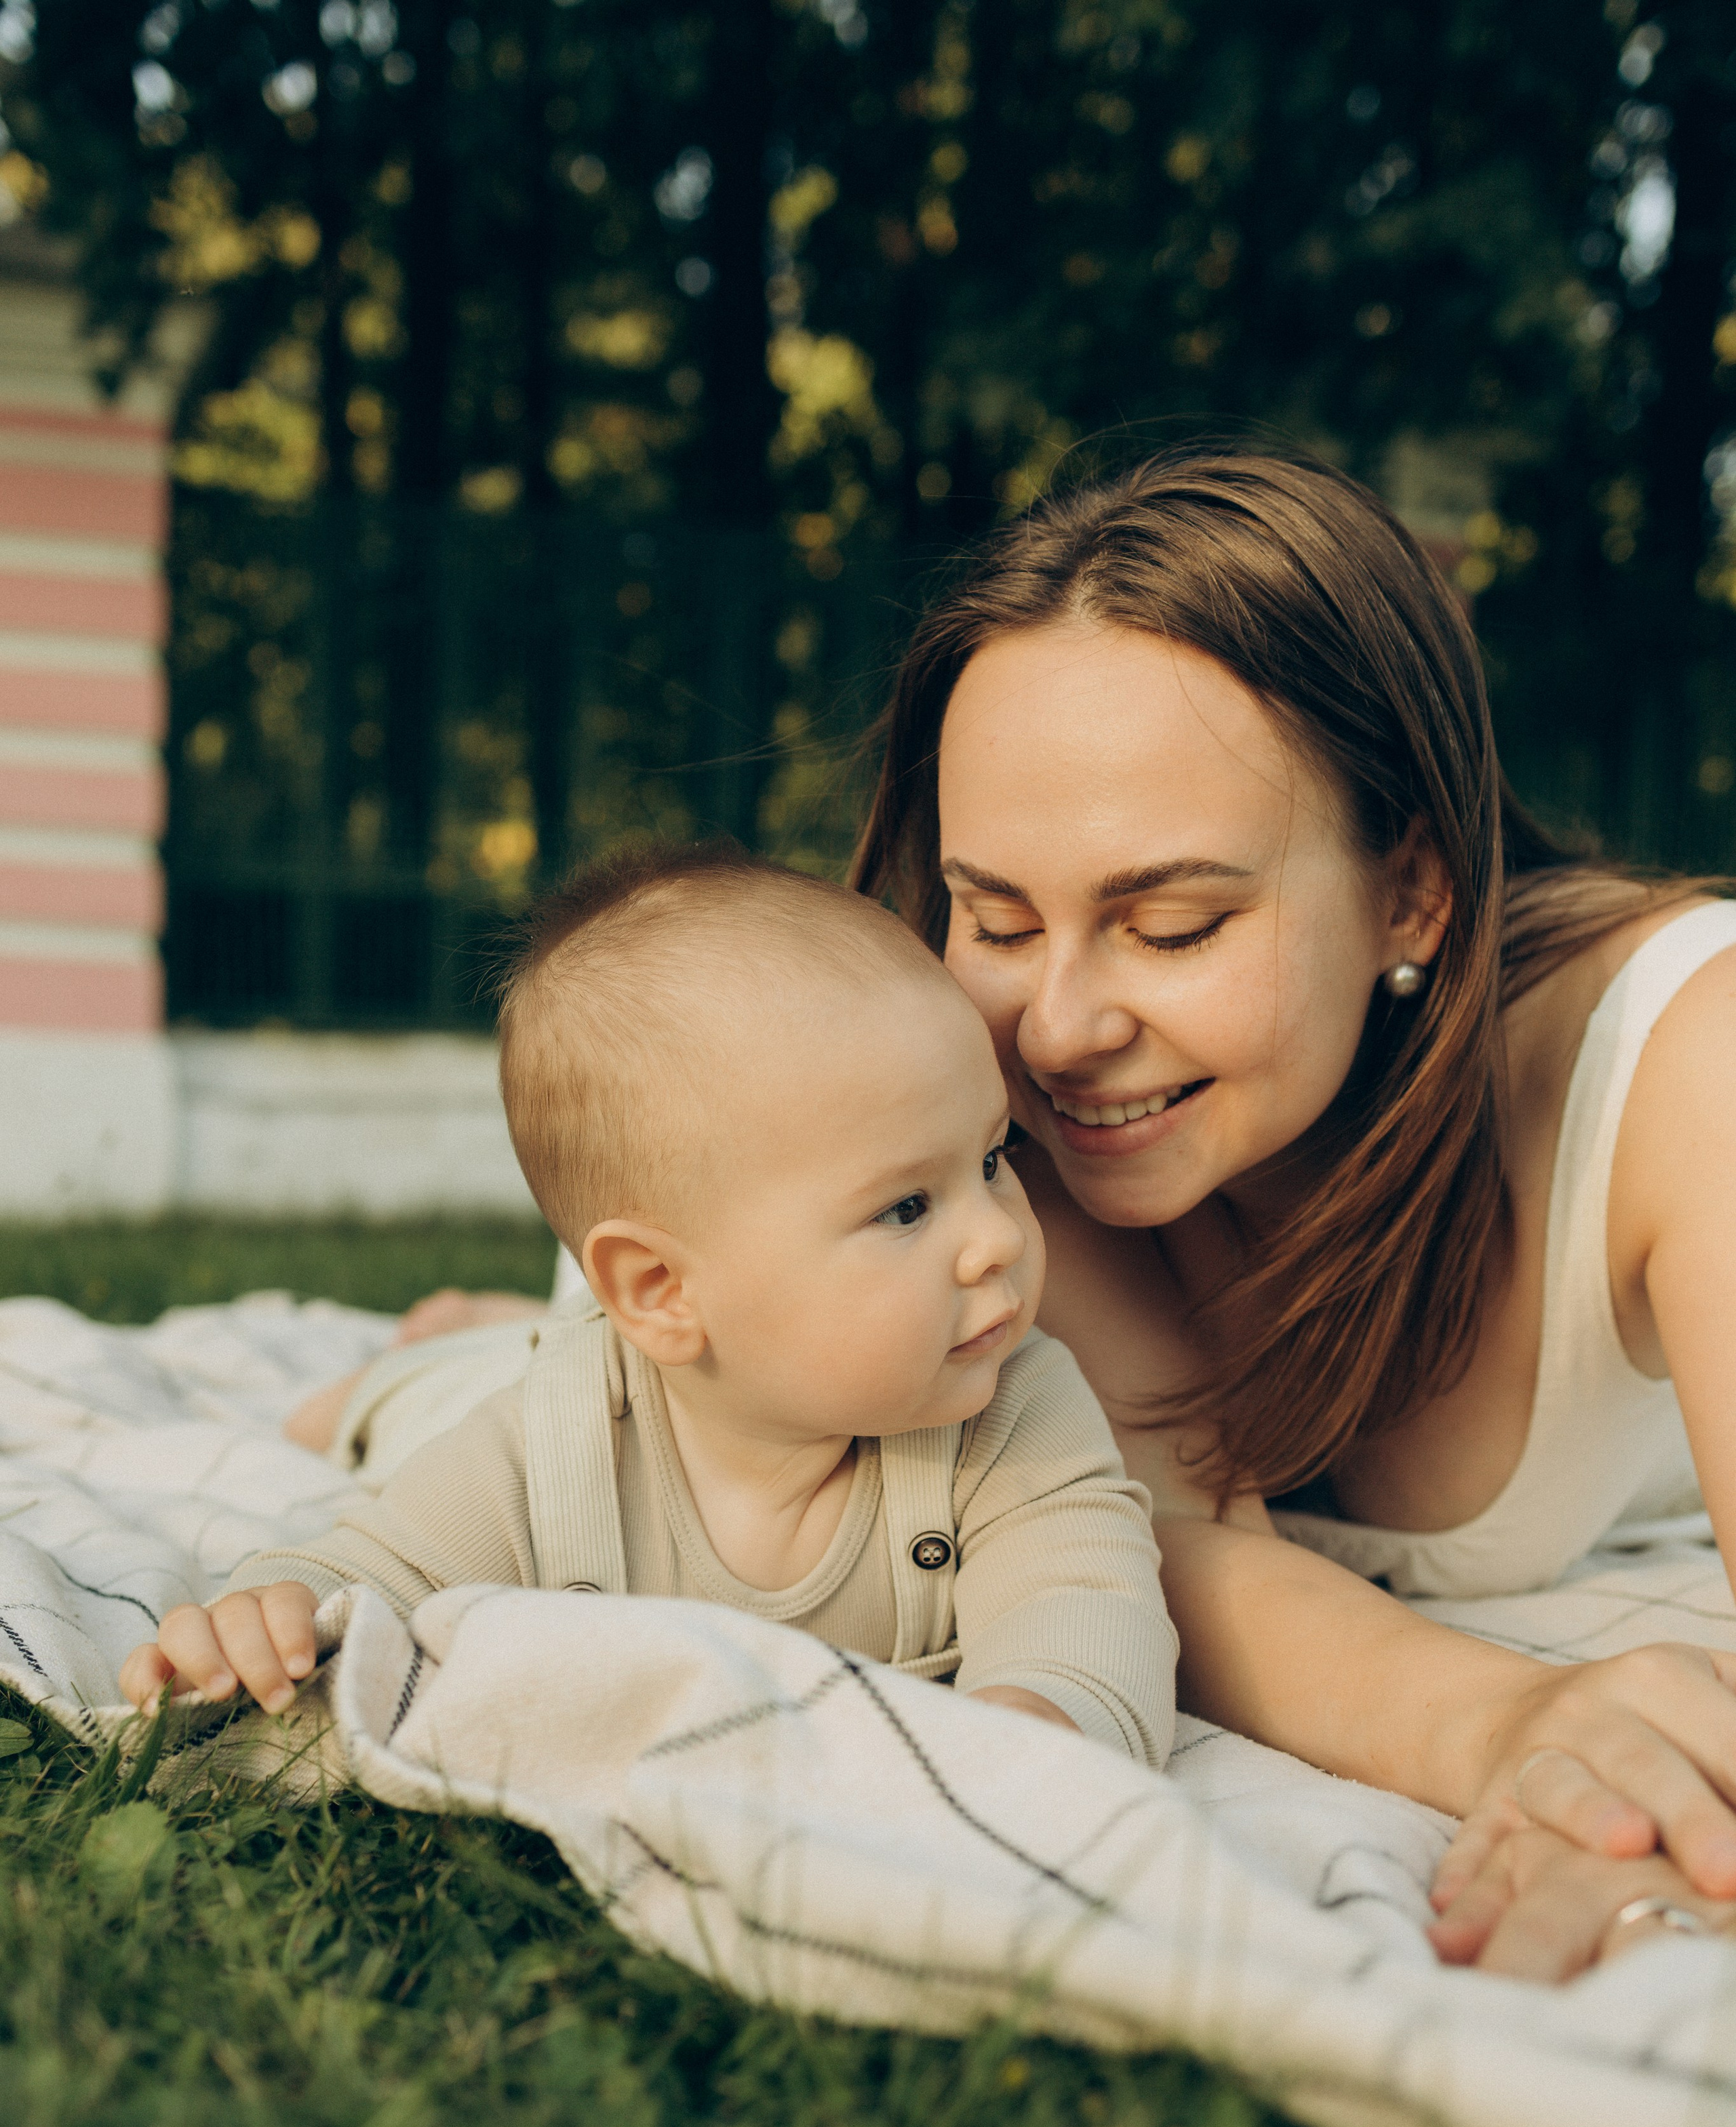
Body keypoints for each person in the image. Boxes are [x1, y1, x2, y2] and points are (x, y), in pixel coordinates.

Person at [846, 443, 1736, 1978]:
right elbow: (1146, 1539)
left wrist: (1640, 1815)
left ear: (1411, 892)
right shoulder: (983, 1093)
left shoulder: (1683, 1057)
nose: (1057, 1028)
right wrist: (1514, 1725)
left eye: (1172, 925)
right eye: (994, 915)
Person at [120, 850, 1177, 1774]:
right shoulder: (549, 1444)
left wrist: (1037, 1725)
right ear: (663, 1292)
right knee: (398, 1407)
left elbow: (1084, 1602)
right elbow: (375, 1568)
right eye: (906, 1207)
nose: (999, 1237)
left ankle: (492, 1324)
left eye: (990, 1159)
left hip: (633, 1344)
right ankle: (413, 1361)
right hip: (502, 1383)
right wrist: (273, 1605)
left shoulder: (1014, 1412)